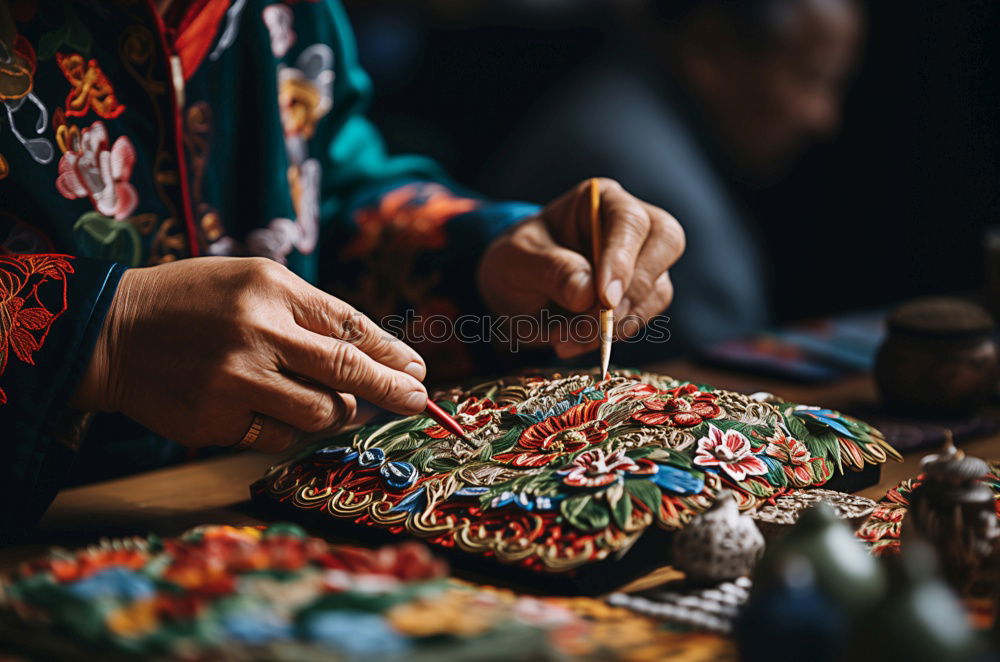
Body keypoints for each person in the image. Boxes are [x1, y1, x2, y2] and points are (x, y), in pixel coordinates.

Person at [0, 0, 683, 539]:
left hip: (236, 521)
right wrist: (100, 336)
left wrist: (483, 258)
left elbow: (331, 192)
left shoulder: (288, 11)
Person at [484, 0, 862, 358]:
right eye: (810, 78)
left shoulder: (619, 95)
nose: (823, 118)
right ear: (711, 51)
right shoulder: (653, 184)